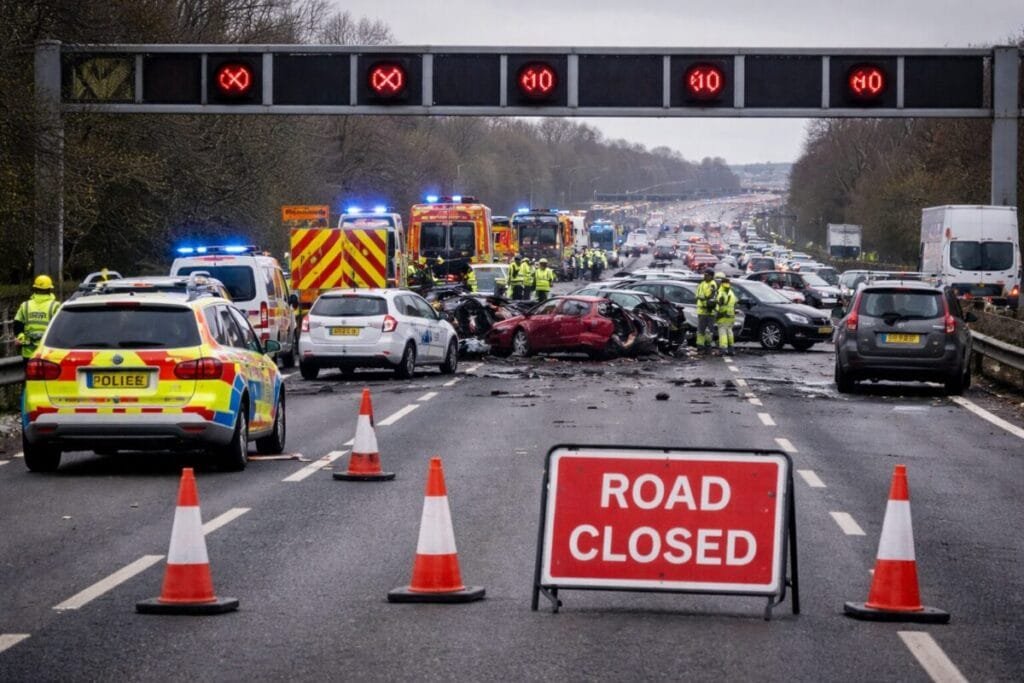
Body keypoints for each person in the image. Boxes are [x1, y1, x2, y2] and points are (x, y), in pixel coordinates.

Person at [15, 274, 60, 363]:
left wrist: (21, 337)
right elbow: (60, 327)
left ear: (35, 289)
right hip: (48, 351)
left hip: (28, 352)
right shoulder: (55, 306)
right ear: (50, 289)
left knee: (30, 376)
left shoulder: (25, 305)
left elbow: (17, 324)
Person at [695, 269, 718, 353]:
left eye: (707, 275)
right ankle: (700, 347)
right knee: (700, 331)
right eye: (704, 274)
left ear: (711, 276)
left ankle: (707, 347)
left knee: (708, 331)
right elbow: (697, 295)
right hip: (701, 311)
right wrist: (702, 298)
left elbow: (710, 297)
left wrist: (703, 299)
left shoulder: (712, 284)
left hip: (709, 311)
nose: (705, 276)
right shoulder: (702, 284)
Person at [715, 275, 738, 356]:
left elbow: (719, 305)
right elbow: (735, 303)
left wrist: (717, 314)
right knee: (730, 332)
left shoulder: (721, 292)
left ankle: (723, 350)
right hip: (731, 316)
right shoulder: (731, 292)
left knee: (722, 333)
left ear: (722, 283)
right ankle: (731, 350)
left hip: (723, 316)